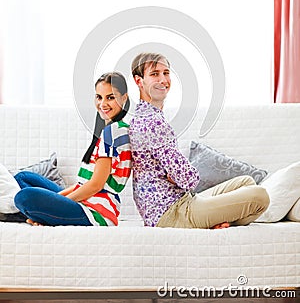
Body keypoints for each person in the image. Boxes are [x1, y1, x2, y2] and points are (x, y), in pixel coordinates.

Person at [129, 52, 270, 229]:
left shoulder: (147, 116)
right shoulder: (152, 122)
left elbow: (181, 177)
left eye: (166, 72)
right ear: (138, 81)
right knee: (260, 196)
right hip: (171, 213)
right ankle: (216, 221)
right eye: (154, 74)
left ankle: (216, 221)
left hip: (181, 199)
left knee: (246, 182)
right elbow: (189, 179)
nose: (163, 79)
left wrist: (177, 175)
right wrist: (180, 175)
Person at [13, 72, 131, 227]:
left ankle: (37, 215)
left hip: (94, 212)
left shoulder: (113, 132)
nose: (103, 104)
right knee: (24, 177)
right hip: (84, 197)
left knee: (24, 197)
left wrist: (56, 204)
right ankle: (39, 215)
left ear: (124, 98)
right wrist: (55, 200)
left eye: (110, 97)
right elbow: (83, 185)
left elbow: (95, 185)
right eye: (99, 97)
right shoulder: (109, 130)